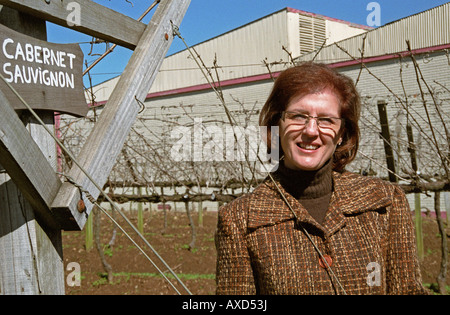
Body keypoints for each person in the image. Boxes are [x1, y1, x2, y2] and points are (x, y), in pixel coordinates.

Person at [215, 62, 427, 295]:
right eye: (298, 116)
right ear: (277, 124)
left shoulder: (386, 202)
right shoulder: (239, 219)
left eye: (326, 119)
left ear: (341, 134)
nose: (311, 130)